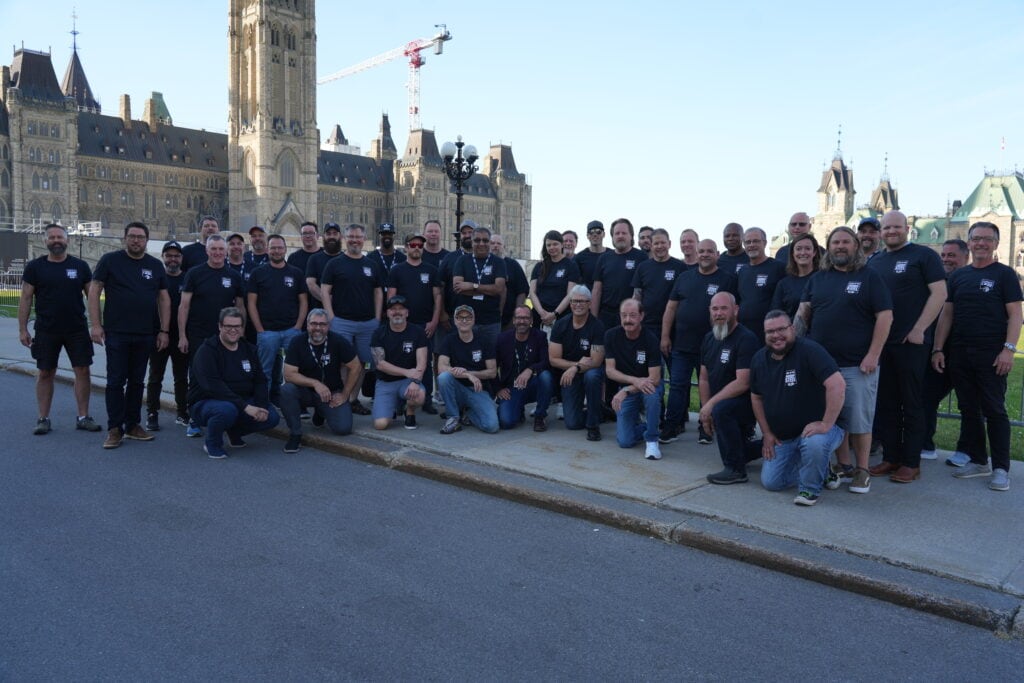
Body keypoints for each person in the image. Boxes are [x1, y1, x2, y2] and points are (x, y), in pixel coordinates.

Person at [798, 226, 892, 494]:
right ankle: (843, 465)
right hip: (822, 366)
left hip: (857, 364)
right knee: (833, 417)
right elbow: (803, 315)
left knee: (859, 419)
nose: (840, 246)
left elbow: (885, 317)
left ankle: (862, 470)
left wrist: (873, 354)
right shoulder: (818, 279)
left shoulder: (870, 277)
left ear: (855, 246)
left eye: (845, 242)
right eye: (835, 242)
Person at [933, 222, 1023, 492]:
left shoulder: (1005, 275)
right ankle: (979, 459)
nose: (981, 243)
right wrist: (938, 348)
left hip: (992, 354)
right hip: (960, 352)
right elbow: (947, 315)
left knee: (995, 410)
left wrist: (1008, 349)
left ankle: (1001, 469)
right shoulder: (959, 277)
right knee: (968, 409)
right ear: (969, 243)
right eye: (976, 239)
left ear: (995, 244)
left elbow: (1016, 315)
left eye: (987, 239)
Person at [866, 210, 946, 484]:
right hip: (882, 344)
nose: (890, 232)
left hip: (910, 343)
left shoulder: (924, 256)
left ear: (907, 228)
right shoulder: (875, 261)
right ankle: (891, 457)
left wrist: (919, 329)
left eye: (896, 227)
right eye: (886, 228)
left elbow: (940, 294)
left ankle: (911, 462)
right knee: (886, 403)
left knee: (912, 403)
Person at [88, 222, 170, 449]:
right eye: (132, 236)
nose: (136, 241)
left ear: (146, 240)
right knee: (116, 381)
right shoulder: (110, 261)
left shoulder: (154, 265)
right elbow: (94, 290)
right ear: (125, 238)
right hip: (117, 332)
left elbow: (164, 298)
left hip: (146, 333)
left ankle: (133, 425)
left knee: (137, 382)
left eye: (141, 237)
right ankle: (115, 428)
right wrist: (95, 325)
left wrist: (164, 330)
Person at [754, 310, 847, 506]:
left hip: (819, 432)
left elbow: (837, 385)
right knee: (771, 482)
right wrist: (767, 433)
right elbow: (756, 397)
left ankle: (809, 490)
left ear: (793, 329)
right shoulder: (759, 359)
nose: (776, 335)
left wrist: (825, 424)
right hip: (783, 437)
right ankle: (821, 469)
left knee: (814, 443)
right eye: (770, 331)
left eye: (781, 329)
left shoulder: (810, 351)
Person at [18, 223, 101, 435]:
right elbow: (26, 298)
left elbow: (91, 298)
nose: (56, 241)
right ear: (45, 241)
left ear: (67, 240)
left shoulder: (80, 266)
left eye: (60, 237)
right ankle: (43, 418)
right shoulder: (35, 267)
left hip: (76, 329)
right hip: (46, 329)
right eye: (52, 237)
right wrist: (22, 329)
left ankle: (83, 417)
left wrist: (96, 326)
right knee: (45, 372)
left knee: (82, 371)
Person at [660, 239, 737, 444]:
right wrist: (665, 336)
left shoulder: (727, 279)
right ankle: (671, 426)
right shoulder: (684, 277)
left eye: (709, 251)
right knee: (677, 386)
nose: (704, 254)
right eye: (701, 251)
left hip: (713, 345)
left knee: (710, 387)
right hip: (682, 344)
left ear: (717, 254)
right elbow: (670, 308)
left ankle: (706, 427)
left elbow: (733, 311)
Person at [187, 307, 280, 458]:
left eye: (237, 326)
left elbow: (260, 380)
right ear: (219, 326)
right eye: (228, 326)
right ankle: (212, 444)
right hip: (206, 402)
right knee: (226, 410)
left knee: (271, 416)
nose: (233, 330)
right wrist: (246, 407)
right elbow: (213, 387)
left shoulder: (248, 349)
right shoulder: (207, 351)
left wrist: (261, 406)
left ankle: (234, 431)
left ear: (242, 328)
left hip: (239, 402)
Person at [178, 233, 245, 436]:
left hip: (226, 336)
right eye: (213, 249)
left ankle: (222, 417)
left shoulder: (234, 276)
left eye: (220, 249)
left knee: (225, 376)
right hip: (198, 334)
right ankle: (194, 420)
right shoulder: (195, 274)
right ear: (207, 251)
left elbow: (241, 307)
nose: (217, 253)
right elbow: (184, 306)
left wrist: (240, 332)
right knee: (197, 377)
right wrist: (182, 335)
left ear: (226, 252)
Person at [321, 223, 384, 416]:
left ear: (364, 239)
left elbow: (378, 292)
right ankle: (339, 397)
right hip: (342, 322)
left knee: (364, 363)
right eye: (351, 237)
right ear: (345, 239)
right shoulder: (335, 264)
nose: (355, 240)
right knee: (342, 362)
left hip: (367, 324)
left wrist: (377, 318)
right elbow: (325, 290)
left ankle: (353, 399)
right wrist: (330, 316)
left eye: (358, 237)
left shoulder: (372, 264)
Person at [699, 293, 762, 484]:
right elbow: (703, 378)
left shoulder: (746, 338)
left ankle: (736, 471)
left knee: (721, 410)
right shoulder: (709, 338)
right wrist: (704, 412)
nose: (719, 313)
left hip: (748, 403)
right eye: (715, 309)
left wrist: (711, 405)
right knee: (735, 449)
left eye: (724, 308)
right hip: (722, 404)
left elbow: (743, 382)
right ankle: (781, 445)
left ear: (735, 310)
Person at [280, 309, 363, 452]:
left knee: (343, 428)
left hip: (331, 392)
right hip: (305, 392)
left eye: (322, 324)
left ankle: (321, 411)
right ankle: (295, 434)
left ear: (328, 326)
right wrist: (315, 383)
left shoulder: (338, 341)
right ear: (307, 325)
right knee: (286, 390)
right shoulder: (297, 342)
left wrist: (345, 394)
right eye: (314, 324)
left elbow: (356, 366)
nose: (318, 328)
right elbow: (289, 374)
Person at [922, 239, 970, 464]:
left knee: (969, 403)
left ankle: (967, 450)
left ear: (965, 257)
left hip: (965, 351)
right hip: (938, 351)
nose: (946, 260)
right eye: (943, 255)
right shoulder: (936, 281)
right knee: (927, 397)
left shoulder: (970, 280)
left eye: (951, 255)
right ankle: (925, 443)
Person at [247, 233, 309, 405]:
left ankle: (296, 406)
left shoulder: (296, 273)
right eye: (273, 247)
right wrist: (260, 329)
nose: (276, 251)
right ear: (268, 249)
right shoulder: (258, 273)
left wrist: (298, 326)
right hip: (267, 332)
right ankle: (263, 407)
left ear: (285, 249)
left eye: (279, 247)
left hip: (292, 331)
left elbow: (303, 301)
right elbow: (251, 303)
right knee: (264, 373)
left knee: (295, 371)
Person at [387, 232, 442, 414]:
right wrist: (394, 322)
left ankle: (425, 399)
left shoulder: (431, 270)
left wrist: (434, 321)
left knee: (424, 364)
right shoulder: (397, 270)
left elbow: (437, 297)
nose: (417, 248)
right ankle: (399, 399)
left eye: (420, 245)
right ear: (406, 247)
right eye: (413, 245)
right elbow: (391, 297)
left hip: (425, 326)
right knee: (401, 361)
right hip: (403, 325)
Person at [604, 298, 663, 459]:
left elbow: (655, 378)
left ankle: (652, 441)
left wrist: (628, 389)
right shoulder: (611, 335)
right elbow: (610, 371)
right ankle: (649, 426)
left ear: (641, 316)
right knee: (624, 441)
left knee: (652, 395)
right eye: (624, 315)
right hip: (628, 388)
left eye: (632, 315)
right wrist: (634, 382)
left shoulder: (650, 339)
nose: (628, 320)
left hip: (647, 386)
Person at [549, 285, 606, 441]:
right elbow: (553, 359)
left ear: (589, 303)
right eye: (575, 301)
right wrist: (575, 366)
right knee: (572, 424)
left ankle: (593, 426)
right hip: (570, 375)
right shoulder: (561, 325)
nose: (578, 305)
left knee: (593, 376)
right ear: (570, 303)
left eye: (582, 301)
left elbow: (596, 361)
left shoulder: (597, 326)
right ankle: (600, 411)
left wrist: (575, 367)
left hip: (589, 372)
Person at [145, 241, 190, 431]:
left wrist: (184, 335)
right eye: (169, 255)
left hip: (181, 336)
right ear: (163, 257)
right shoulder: (156, 277)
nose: (173, 259)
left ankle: (182, 411)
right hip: (158, 336)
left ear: (181, 258)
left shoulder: (188, 278)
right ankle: (152, 413)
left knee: (181, 377)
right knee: (156, 376)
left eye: (176, 256)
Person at [436, 305, 499, 434]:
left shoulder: (484, 340)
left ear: (474, 320)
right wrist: (467, 375)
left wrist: (470, 373)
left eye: (468, 317)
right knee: (443, 378)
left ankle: (468, 415)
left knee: (492, 426)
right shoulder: (449, 340)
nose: (464, 321)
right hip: (457, 388)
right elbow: (441, 368)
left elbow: (492, 372)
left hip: (478, 389)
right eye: (460, 317)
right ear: (455, 320)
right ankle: (453, 418)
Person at [370, 295, 428, 430]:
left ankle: (410, 412)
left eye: (401, 309)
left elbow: (422, 362)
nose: (397, 312)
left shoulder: (418, 332)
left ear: (407, 313)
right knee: (380, 425)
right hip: (385, 382)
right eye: (393, 309)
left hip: (408, 381)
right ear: (387, 313)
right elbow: (380, 364)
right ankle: (394, 407)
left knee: (419, 395)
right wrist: (407, 372)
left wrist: (415, 382)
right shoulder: (378, 333)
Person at [496, 305, 554, 431]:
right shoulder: (502, 339)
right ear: (513, 320)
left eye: (526, 318)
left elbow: (546, 362)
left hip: (532, 385)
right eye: (519, 318)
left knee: (546, 376)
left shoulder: (540, 336)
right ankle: (518, 410)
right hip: (512, 387)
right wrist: (498, 389)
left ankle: (540, 416)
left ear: (532, 320)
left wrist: (530, 369)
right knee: (506, 422)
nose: (522, 321)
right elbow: (492, 366)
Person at [452, 226, 507, 351]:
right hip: (466, 321)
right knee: (465, 356)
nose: (481, 243)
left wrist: (472, 286)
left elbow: (498, 289)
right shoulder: (462, 261)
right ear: (471, 242)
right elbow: (458, 287)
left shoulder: (498, 262)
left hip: (491, 322)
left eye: (485, 240)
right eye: (477, 240)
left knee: (491, 358)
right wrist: (488, 290)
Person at [591, 218, 647, 332]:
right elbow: (597, 290)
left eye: (624, 233)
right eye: (617, 233)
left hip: (631, 317)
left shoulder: (641, 257)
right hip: (606, 316)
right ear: (612, 237)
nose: (620, 236)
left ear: (631, 236)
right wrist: (593, 319)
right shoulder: (604, 258)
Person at [632, 228, 684, 348]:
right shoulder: (643, 267)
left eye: (663, 243)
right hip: (648, 325)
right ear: (651, 245)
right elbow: (637, 296)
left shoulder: (680, 267)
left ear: (669, 244)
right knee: (650, 364)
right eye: (656, 243)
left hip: (674, 326)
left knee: (672, 364)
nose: (659, 246)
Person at [736, 227, 787, 343]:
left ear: (764, 243)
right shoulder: (743, 271)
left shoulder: (778, 268)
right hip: (745, 333)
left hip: (770, 333)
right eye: (748, 242)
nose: (751, 245)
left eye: (756, 241)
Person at [529, 230, 580, 330]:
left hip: (562, 316)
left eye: (555, 244)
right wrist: (541, 313)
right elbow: (532, 292)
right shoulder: (539, 266)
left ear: (562, 245)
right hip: (539, 316)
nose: (552, 247)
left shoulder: (571, 266)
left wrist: (554, 314)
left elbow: (570, 294)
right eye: (548, 245)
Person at [770, 233, 821, 319]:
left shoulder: (823, 279)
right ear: (793, 254)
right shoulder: (784, 284)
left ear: (814, 252)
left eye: (808, 248)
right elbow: (776, 314)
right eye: (798, 249)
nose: (803, 252)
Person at [490, 233, 528, 330]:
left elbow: (522, 292)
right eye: (492, 243)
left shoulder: (513, 265)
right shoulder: (482, 264)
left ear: (504, 247)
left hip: (508, 320)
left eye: (498, 243)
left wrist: (516, 316)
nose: (495, 246)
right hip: (486, 319)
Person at [305, 221, 342, 311]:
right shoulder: (314, 259)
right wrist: (328, 300)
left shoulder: (346, 258)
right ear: (323, 237)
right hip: (319, 313)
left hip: (342, 312)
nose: (331, 237)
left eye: (335, 234)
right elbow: (311, 284)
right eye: (328, 234)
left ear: (340, 236)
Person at [574, 220, 607, 290]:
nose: (595, 235)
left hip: (608, 298)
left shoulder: (612, 255)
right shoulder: (579, 258)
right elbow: (574, 283)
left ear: (603, 234)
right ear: (587, 236)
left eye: (598, 231)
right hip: (587, 298)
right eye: (591, 232)